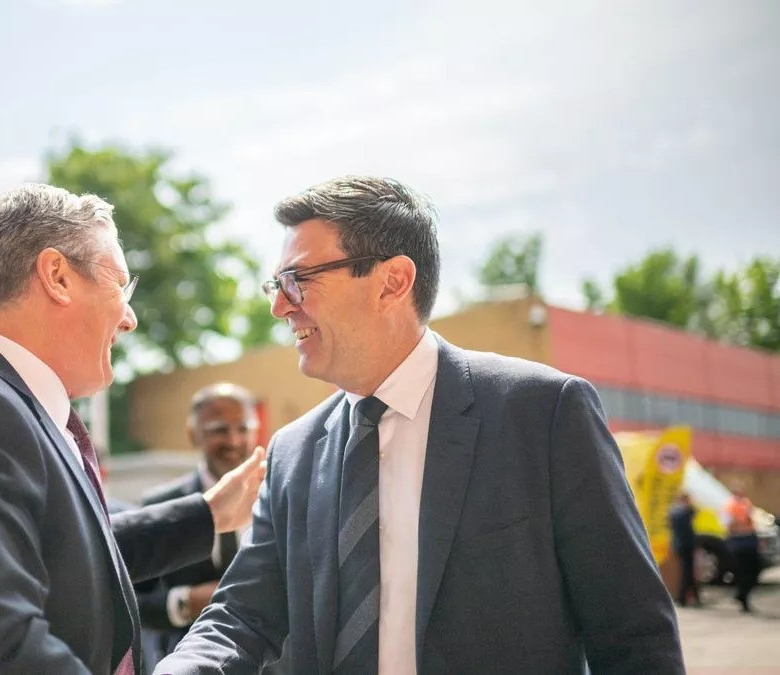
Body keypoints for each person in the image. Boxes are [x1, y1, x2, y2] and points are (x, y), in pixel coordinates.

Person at [157, 176, 683, 674]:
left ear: (392, 282)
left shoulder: (542, 413)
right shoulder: (292, 452)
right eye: (276, 284)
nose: (278, 306)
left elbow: (631, 630)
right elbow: (243, 614)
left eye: (298, 280)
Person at [0, 183, 266, 674]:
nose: (129, 318)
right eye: (120, 285)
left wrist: (207, 515)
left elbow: (64, 557)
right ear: (57, 277)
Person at [136, 383, 262, 665]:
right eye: (219, 429)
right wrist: (185, 602)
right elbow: (133, 602)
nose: (233, 441)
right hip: (189, 661)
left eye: (243, 428)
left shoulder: (278, 497)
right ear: (193, 434)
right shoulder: (162, 504)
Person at [722, 485, 760, 612]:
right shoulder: (730, 505)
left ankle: (741, 595)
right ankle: (743, 597)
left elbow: (752, 519)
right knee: (742, 572)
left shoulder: (746, 503)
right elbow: (727, 523)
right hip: (738, 541)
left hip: (749, 539)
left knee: (753, 571)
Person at [667, 492, 700, 607]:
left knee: (688, 571)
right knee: (687, 572)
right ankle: (683, 598)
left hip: (679, 545)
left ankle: (693, 596)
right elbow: (694, 512)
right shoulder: (683, 512)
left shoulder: (674, 511)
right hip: (685, 545)